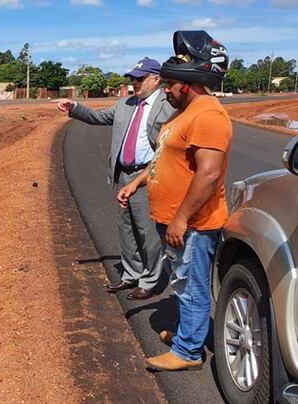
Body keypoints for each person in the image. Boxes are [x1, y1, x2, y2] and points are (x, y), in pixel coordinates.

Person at [117, 30, 231, 371]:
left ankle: (188, 353)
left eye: (170, 84)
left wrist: (181, 219)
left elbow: (208, 175)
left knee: (192, 288)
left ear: (189, 84)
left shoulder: (208, 114)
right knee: (181, 284)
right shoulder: (183, 113)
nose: (166, 90)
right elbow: (164, 157)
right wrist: (137, 183)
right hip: (175, 220)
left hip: (193, 224)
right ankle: (187, 335)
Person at [56, 58, 175, 300]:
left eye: (139, 78)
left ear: (156, 78)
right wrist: (75, 107)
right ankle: (131, 274)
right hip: (124, 174)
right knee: (126, 228)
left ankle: (149, 280)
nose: (134, 83)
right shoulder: (126, 104)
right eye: (132, 78)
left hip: (148, 176)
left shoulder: (169, 105)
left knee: (147, 231)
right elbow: (99, 118)